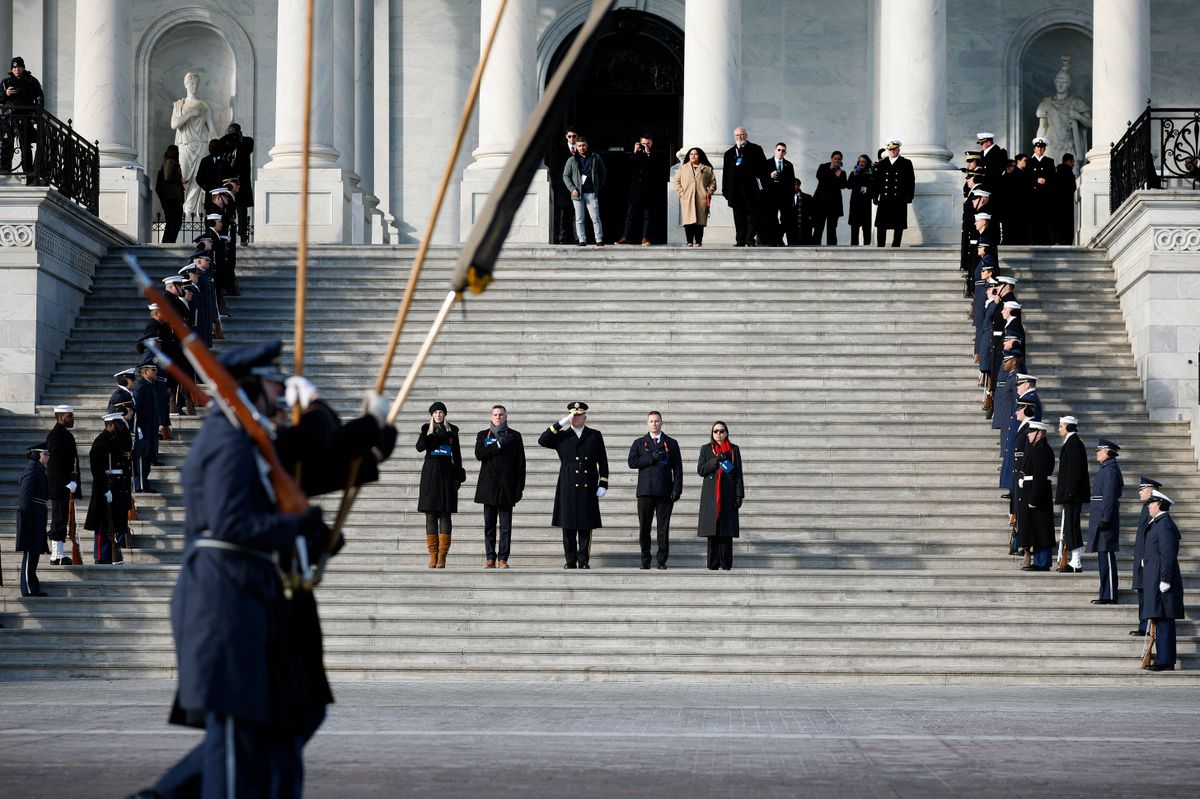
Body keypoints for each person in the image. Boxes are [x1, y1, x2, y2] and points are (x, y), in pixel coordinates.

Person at [143, 342, 340, 799]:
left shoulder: (243, 438)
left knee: (254, 734)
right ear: (251, 386)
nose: (279, 394)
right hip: (222, 601)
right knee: (234, 747)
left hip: (242, 595)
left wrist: (307, 535)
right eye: (274, 384)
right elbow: (232, 523)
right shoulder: (228, 439)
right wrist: (298, 526)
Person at [539, 402, 609, 569]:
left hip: (588, 483)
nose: (576, 418)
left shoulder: (594, 435)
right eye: (573, 415)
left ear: (585, 417)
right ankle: (570, 560)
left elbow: (603, 461)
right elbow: (542, 440)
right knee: (568, 523)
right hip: (568, 483)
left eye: (579, 415)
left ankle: (583, 560)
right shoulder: (562, 435)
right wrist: (560, 423)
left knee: (586, 524)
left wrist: (603, 483)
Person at [627, 411, 683, 570]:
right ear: (647, 423)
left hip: (664, 491)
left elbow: (678, 469)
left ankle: (661, 560)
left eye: (656, 421)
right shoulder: (639, 442)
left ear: (661, 423)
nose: (654, 424)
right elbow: (632, 462)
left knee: (663, 528)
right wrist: (651, 457)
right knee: (644, 527)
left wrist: (677, 489)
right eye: (651, 421)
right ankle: (645, 559)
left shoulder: (671, 443)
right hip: (645, 491)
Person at [473, 404, 525, 569]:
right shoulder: (483, 435)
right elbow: (479, 454)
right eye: (495, 415)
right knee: (489, 525)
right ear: (491, 416)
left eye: (501, 415)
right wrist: (498, 444)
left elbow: (521, 463)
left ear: (506, 417)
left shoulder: (515, 436)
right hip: (488, 487)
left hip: (507, 487)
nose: (498, 417)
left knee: (505, 526)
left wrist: (519, 487)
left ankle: (503, 558)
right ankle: (490, 557)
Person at [416, 401, 463, 568]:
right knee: (430, 515)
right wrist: (433, 436)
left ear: (444, 414)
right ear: (432, 415)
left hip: (447, 476)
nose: (438, 415)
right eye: (435, 413)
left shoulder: (452, 432)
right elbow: (419, 447)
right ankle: (433, 554)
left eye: (441, 412)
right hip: (430, 477)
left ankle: (443, 555)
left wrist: (458, 477)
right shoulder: (426, 430)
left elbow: (457, 456)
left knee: (445, 515)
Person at [1140, 491, 1182, 672]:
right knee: (1159, 617)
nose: (1148, 506)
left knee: (1164, 619)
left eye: (1152, 503)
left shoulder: (1164, 525)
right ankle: (1162, 657)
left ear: (1160, 504)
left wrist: (1165, 579)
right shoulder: (1158, 523)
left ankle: (1165, 660)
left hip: (1161, 578)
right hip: (1154, 575)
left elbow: (1168, 554)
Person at [84, 412, 133, 564]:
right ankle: (101, 555)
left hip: (118, 486)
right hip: (107, 486)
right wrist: (105, 489)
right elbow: (97, 470)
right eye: (118, 424)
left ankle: (113, 552)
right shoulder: (101, 442)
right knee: (103, 523)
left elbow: (127, 446)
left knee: (116, 520)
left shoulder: (116, 440)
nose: (121, 427)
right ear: (110, 425)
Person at [170, 72, 218, 217]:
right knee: (183, 177)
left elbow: (212, 130)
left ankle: (192, 212)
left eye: (196, 83)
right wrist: (190, 114)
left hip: (201, 145)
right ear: (185, 84)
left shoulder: (205, 106)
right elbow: (174, 124)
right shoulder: (179, 105)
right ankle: (182, 212)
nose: (194, 86)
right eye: (191, 83)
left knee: (199, 178)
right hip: (185, 145)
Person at [697, 421, 743, 570]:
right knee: (712, 532)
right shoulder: (706, 449)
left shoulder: (734, 450)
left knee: (726, 532)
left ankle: (726, 564)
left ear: (726, 433)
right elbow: (701, 470)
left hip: (727, 494)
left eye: (721, 431)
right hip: (711, 496)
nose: (718, 434)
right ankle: (712, 564)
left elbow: (738, 474)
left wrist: (739, 495)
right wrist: (716, 460)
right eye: (715, 431)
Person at [1087, 438, 1123, 604]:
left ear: (1108, 452)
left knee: (1106, 556)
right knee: (1103, 557)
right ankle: (1105, 593)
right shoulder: (1106, 468)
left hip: (1105, 518)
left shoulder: (1110, 470)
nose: (1097, 453)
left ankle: (1109, 594)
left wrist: (1106, 518)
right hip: (1101, 516)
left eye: (1100, 450)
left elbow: (1109, 497)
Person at [46, 404, 80, 566]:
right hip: (60, 486)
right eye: (69, 416)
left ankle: (59, 553)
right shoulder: (55, 435)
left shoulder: (64, 434)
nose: (72, 419)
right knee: (58, 519)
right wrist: (66, 483)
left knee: (63, 519)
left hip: (65, 485)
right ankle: (56, 555)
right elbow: (54, 465)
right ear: (61, 418)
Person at [1054, 415, 1089, 573]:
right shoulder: (1071, 443)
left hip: (1073, 495)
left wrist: (1068, 493)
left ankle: (1076, 562)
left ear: (1068, 427)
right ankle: (1074, 561)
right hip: (1071, 494)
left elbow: (1074, 472)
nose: (1059, 429)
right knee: (1070, 526)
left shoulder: (1073, 444)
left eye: (1061, 426)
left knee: (1072, 527)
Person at [722, 127, 767, 246]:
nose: (739, 137)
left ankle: (750, 239)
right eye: (737, 135)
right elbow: (725, 174)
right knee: (738, 217)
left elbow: (763, 170)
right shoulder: (729, 153)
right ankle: (740, 240)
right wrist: (725, 191)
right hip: (735, 191)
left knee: (752, 216)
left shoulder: (756, 149)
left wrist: (763, 188)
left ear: (746, 136)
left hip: (751, 189)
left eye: (741, 135)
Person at [1019, 421, 1056, 571]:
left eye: (1031, 431)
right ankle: (1039, 560)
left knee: (1042, 529)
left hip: (1037, 494)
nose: (1028, 434)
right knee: (1036, 529)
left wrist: (1034, 498)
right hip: (1032, 491)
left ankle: (1043, 562)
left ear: (1040, 433)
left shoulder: (1042, 450)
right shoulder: (1038, 448)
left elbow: (1039, 477)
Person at [0, 56, 44, 178]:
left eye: (19, 67)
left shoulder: (31, 81)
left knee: (26, 145)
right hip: (9, 118)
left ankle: (28, 170)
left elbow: (40, 98)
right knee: (6, 143)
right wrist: (6, 93)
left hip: (25, 117)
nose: (16, 69)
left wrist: (35, 115)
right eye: (14, 67)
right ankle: (4, 169)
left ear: (23, 67)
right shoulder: (5, 82)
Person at [1130, 476, 1164, 635]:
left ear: (1151, 491)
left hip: (1147, 558)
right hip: (1142, 556)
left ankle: (1146, 625)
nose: (1139, 492)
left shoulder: (1151, 509)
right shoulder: (1146, 508)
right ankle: (1143, 625)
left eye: (1142, 489)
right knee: (1143, 592)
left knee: (1146, 593)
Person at [16, 443, 50, 596]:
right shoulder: (31, 471)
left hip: (38, 513)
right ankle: (28, 588)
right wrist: (28, 519)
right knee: (30, 552)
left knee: (35, 551)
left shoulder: (38, 470)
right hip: (32, 515)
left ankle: (32, 586)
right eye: (45, 454)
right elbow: (24, 499)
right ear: (37, 455)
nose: (47, 457)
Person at [563, 135, 606, 246]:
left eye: (583, 145)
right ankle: (582, 240)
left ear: (587, 145)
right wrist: (572, 189)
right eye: (579, 146)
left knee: (595, 217)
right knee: (579, 218)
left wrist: (598, 186)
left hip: (591, 192)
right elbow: (565, 176)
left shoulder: (595, 157)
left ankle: (599, 239)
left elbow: (603, 172)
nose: (582, 147)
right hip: (577, 193)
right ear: (576, 147)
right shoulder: (572, 160)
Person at [617, 134, 660, 245]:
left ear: (652, 144)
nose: (645, 145)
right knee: (630, 214)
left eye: (648, 143)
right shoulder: (635, 154)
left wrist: (648, 153)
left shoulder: (654, 155)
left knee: (647, 215)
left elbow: (655, 168)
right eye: (643, 143)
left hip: (648, 190)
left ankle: (645, 237)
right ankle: (626, 236)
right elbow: (627, 168)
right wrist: (635, 151)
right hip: (635, 190)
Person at [874, 139, 914, 247]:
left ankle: (896, 245)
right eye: (890, 149)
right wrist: (875, 195)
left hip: (899, 198)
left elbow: (910, 181)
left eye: (894, 149)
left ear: (898, 150)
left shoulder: (906, 163)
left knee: (898, 224)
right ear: (887, 150)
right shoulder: (882, 163)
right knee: (881, 224)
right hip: (885, 198)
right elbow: (878, 181)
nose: (892, 151)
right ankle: (880, 245)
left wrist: (909, 196)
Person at [673, 147, 717, 247]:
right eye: (691, 154)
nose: (693, 156)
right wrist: (681, 192)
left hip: (701, 198)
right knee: (688, 221)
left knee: (700, 221)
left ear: (699, 155)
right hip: (687, 197)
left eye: (695, 154)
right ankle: (689, 241)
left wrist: (708, 192)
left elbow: (713, 182)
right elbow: (676, 181)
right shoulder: (683, 168)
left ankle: (698, 241)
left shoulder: (707, 168)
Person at [222, 123, 254, 243]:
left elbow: (247, 148)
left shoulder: (246, 141)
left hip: (241, 184)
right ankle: (226, 235)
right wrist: (227, 139)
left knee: (241, 211)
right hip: (228, 183)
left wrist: (238, 139)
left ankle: (243, 236)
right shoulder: (227, 145)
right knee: (227, 211)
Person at [132, 361, 161, 493]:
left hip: (151, 427)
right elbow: (136, 409)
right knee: (142, 457)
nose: (156, 372)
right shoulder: (141, 386)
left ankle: (145, 484)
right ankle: (140, 485)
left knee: (147, 457)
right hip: (143, 428)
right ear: (145, 372)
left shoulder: (150, 385)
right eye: (153, 370)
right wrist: (137, 429)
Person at [548, 127, 578, 245]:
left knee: (577, 213)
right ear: (566, 136)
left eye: (574, 136)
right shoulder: (559, 149)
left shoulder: (581, 149)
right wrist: (556, 185)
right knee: (563, 213)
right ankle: (562, 237)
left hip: (578, 187)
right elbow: (555, 168)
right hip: (563, 187)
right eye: (569, 136)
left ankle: (578, 237)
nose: (572, 139)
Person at [763, 143, 798, 246]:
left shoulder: (789, 165)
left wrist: (792, 198)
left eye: (783, 151)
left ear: (785, 152)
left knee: (785, 220)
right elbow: (761, 179)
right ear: (775, 150)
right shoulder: (767, 163)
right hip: (771, 196)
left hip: (785, 197)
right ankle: (774, 240)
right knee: (772, 219)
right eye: (779, 150)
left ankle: (778, 237)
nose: (780, 152)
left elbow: (792, 182)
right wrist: (769, 175)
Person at [813, 150, 848, 245]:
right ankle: (815, 246)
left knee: (832, 228)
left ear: (841, 160)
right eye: (835, 158)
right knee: (818, 227)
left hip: (834, 204)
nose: (836, 160)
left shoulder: (842, 172)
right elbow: (820, 178)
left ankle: (832, 248)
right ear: (831, 159)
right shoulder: (823, 167)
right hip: (821, 203)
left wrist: (838, 176)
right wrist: (830, 169)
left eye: (839, 159)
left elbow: (844, 185)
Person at [1027, 137, 1055, 245]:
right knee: (1034, 221)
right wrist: (1036, 181)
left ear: (1044, 149)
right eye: (1038, 148)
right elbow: (1026, 179)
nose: (1040, 150)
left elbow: (1053, 178)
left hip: (1045, 197)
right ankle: (1033, 241)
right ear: (1034, 149)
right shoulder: (1029, 162)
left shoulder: (1049, 161)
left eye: (1042, 148)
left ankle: (1046, 242)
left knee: (1045, 220)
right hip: (1033, 197)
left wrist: (1046, 180)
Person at [154, 145, 185, 243]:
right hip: (172, 198)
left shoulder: (170, 163)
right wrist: (180, 181)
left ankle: (169, 241)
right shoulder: (170, 162)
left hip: (171, 198)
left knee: (174, 222)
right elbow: (168, 177)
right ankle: (168, 242)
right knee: (174, 222)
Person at [846, 154, 875, 245]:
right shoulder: (853, 173)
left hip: (866, 204)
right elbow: (849, 186)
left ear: (867, 163)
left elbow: (874, 187)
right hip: (855, 204)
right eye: (860, 161)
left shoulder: (871, 174)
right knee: (854, 228)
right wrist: (854, 175)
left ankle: (867, 247)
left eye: (863, 162)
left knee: (866, 228)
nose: (861, 163)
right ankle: (853, 247)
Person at [1053, 153, 1076, 245]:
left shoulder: (1056, 172)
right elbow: (1072, 188)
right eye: (1073, 161)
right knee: (1067, 225)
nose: (1074, 164)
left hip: (1057, 204)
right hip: (1067, 203)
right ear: (1068, 161)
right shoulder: (1069, 173)